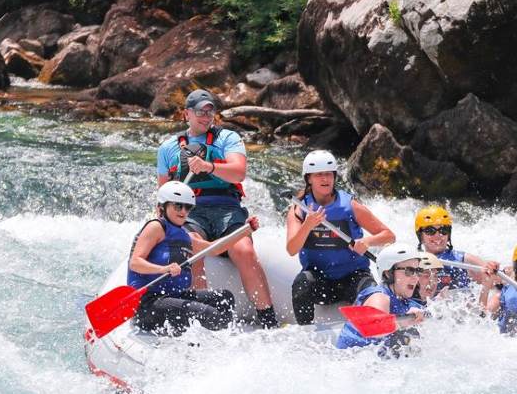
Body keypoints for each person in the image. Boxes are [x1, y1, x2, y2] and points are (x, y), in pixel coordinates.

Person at [156, 88, 277, 328]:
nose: (206, 116)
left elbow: (238, 172)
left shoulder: (227, 139)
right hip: (190, 211)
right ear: (186, 114)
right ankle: (202, 319)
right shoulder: (168, 148)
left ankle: (268, 320)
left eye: (210, 112)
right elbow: (163, 193)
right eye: (200, 112)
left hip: (227, 209)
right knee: (192, 246)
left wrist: (208, 166)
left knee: (244, 250)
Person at [128, 181, 256, 335]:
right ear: (162, 207)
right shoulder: (155, 227)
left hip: (173, 296)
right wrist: (163, 269)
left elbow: (214, 249)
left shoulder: (184, 235)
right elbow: (135, 262)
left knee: (224, 298)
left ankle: (215, 339)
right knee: (210, 314)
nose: (183, 211)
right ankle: (203, 339)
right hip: (149, 303)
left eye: (188, 207)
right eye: (178, 206)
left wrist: (244, 230)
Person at [285, 150, 395, 324]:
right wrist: (307, 225)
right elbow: (292, 249)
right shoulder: (299, 209)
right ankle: (305, 330)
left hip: (354, 277)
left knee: (373, 293)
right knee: (301, 284)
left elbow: (389, 236)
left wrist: (367, 241)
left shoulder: (350, 205)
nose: (325, 179)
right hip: (320, 280)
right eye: (319, 174)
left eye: (329, 174)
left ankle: (376, 325)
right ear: (309, 179)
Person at [335, 243, 427, 353]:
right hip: (350, 358)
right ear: (388, 273)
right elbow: (375, 328)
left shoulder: (407, 302)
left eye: (418, 271)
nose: (415, 278)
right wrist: (404, 321)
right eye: (409, 271)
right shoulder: (379, 297)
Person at [414, 205, 498, 295]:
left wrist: (492, 268)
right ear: (420, 235)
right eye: (430, 231)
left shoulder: (464, 260)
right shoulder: (414, 262)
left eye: (443, 230)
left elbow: (497, 283)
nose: (438, 235)